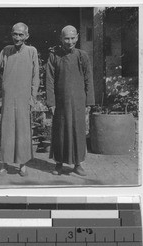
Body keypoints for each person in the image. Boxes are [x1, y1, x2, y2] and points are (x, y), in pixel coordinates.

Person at [46, 25, 95, 176]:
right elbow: (49, 80)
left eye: (73, 38)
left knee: (78, 132)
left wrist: (89, 102)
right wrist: (51, 102)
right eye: (66, 38)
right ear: (61, 38)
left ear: (78, 37)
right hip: (60, 103)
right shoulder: (54, 56)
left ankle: (78, 164)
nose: (69, 41)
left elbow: (88, 80)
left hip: (79, 102)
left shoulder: (82, 55)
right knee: (60, 132)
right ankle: (59, 164)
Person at [0, 22, 40, 177]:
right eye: (15, 34)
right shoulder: (6, 51)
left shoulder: (31, 51)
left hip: (24, 97)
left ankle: (22, 165)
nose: (17, 38)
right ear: (11, 35)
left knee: (23, 131)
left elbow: (36, 76)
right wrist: (1, 88)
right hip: (8, 97)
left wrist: (32, 97)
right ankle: (4, 164)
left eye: (21, 35)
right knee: (6, 130)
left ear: (26, 36)